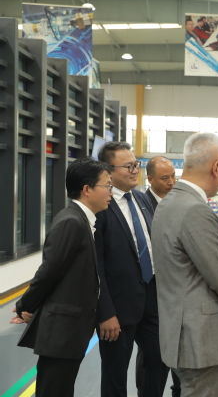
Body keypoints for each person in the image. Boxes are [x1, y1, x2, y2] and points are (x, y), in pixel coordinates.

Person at [152, 132, 218, 397]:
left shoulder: (168, 203)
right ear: (216, 168)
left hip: (180, 334)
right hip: (201, 342)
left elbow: (192, 272)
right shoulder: (195, 210)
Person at [10, 157, 113, 397]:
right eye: (107, 185)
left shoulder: (82, 220)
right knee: (54, 390)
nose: (111, 192)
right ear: (87, 189)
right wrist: (25, 305)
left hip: (71, 330)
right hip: (62, 331)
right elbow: (49, 271)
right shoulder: (71, 222)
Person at [95, 142, 169, 397]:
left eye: (136, 164)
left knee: (159, 360)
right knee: (115, 374)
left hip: (152, 300)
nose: (135, 170)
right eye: (128, 166)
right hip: (118, 308)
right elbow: (96, 265)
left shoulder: (141, 199)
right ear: (108, 170)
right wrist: (105, 313)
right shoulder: (101, 206)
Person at [136, 155, 180, 396]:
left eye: (173, 176)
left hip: (177, 293)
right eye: (165, 178)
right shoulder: (140, 206)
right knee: (153, 357)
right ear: (150, 179)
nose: (171, 182)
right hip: (152, 294)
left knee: (180, 361)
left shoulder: (180, 203)